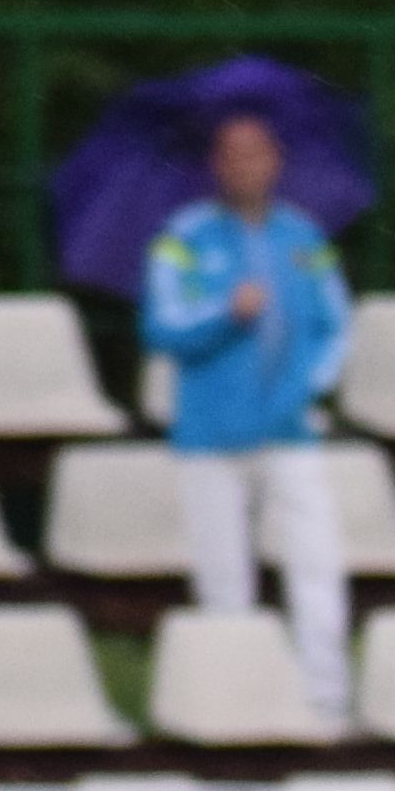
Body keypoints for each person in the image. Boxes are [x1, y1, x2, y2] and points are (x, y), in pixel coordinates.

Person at [144, 110, 353, 726]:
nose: (245, 165)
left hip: (289, 433)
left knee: (316, 564)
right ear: (217, 164)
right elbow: (161, 327)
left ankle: (325, 705)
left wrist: (305, 390)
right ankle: (231, 709)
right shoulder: (183, 238)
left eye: (256, 153)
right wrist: (224, 313)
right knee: (223, 580)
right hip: (208, 436)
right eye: (232, 154)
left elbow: (335, 325)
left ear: (275, 162)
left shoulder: (305, 239)